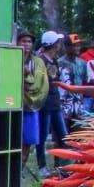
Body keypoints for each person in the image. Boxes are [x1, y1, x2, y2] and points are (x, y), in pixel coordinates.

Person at [36, 31, 68, 173]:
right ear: (54, 44)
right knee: (42, 136)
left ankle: (61, 165)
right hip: (44, 103)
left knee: (63, 135)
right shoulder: (40, 61)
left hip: (55, 102)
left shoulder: (54, 60)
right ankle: (42, 165)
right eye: (58, 42)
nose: (60, 45)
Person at [19, 30, 46, 176]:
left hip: (31, 107)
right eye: (23, 41)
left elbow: (39, 84)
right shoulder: (11, 59)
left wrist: (26, 75)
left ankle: (19, 171)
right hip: (12, 105)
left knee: (27, 142)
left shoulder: (38, 62)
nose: (27, 44)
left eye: (29, 42)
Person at [56, 38, 93, 130]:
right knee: (62, 127)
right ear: (67, 47)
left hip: (78, 100)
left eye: (78, 45)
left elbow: (85, 80)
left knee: (78, 127)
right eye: (74, 45)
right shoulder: (59, 63)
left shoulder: (83, 63)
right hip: (63, 100)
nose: (77, 48)